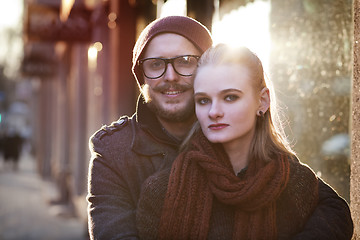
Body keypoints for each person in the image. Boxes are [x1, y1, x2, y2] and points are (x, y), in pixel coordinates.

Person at [87, 16, 353, 239]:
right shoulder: (114, 151)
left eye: (185, 61)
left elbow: (331, 208)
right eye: (156, 64)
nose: (170, 76)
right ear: (142, 77)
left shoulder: (238, 137)